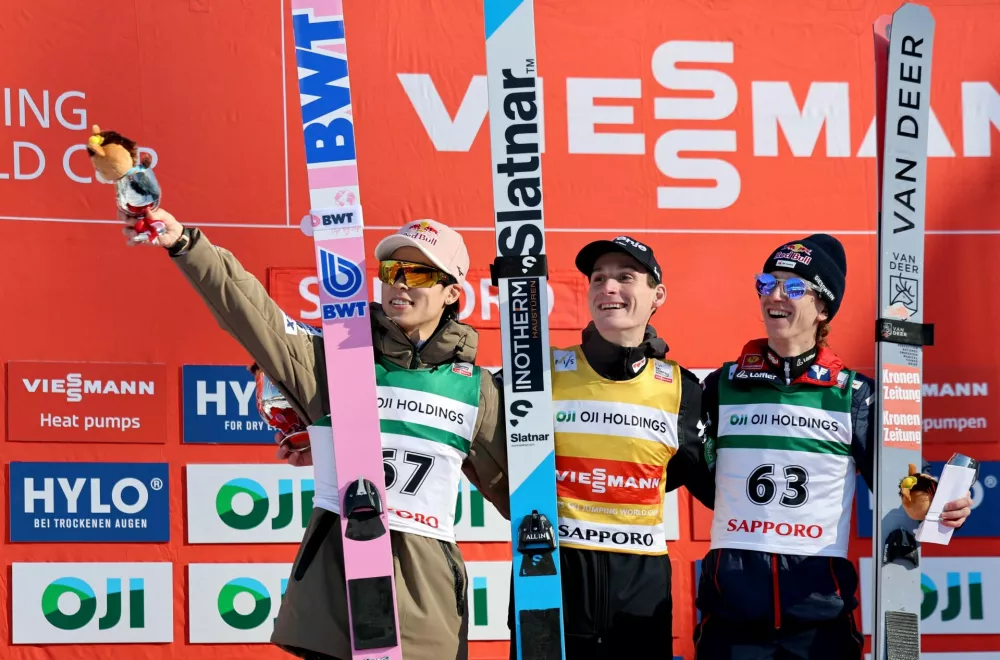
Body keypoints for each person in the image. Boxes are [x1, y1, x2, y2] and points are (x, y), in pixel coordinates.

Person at [120, 209, 510, 660]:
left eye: (419, 273)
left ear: (451, 293)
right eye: (391, 271)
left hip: (426, 599)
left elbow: (521, 494)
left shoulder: (477, 389)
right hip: (335, 593)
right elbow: (251, 313)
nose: (400, 284)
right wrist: (186, 244)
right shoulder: (335, 361)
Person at [693, 234, 973, 659]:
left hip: (819, 619)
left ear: (823, 308)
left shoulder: (854, 396)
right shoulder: (722, 385)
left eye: (793, 286)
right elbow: (693, 470)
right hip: (731, 619)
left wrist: (940, 503)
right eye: (766, 283)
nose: (775, 295)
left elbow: (906, 486)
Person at [504, 235, 715, 659]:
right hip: (548, 591)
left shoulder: (683, 391)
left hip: (638, 613)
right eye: (598, 278)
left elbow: (710, 487)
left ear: (658, 295)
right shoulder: (540, 374)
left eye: (625, 277)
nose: (608, 287)